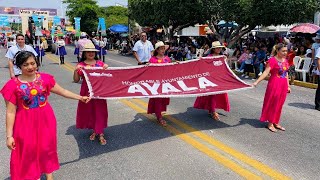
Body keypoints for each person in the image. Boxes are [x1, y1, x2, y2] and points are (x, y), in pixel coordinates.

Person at [1, 51, 90, 180]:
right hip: (24, 123)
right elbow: (10, 112)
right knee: (28, 150)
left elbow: (63, 91)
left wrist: (80, 97)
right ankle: (33, 175)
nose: (30, 67)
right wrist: (9, 136)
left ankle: (49, 174)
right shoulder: (12, 85)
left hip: (46, 120)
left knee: (46, 147)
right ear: (19, 66)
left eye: (33, 63)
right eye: (26, 65)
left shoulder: (45, 79)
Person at [73, 42, 109, 145]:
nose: (90, 53)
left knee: (100, 111)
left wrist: (106, 68)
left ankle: (100, 132)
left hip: (99, 91)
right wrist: (75, 71)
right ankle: (94, 130)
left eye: (92, 51)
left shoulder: (100, 64)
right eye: (88, 51)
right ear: (84, 53)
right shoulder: (81, 65)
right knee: (90, 111)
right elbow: (76, 80)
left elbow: (108, 77)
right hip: (86, 91)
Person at [253, 43, 291, 132]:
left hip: (283, 85)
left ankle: (275, 122)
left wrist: (288, 86)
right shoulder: (272, 60)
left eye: (286, 51)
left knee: (280, 104)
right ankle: (270, 123)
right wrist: (256, 82)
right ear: (277, 51)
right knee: (273, 103)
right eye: (283, 51)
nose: (285, 53)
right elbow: (266, 72)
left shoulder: (285, 60)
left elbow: (286, 74)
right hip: (274, 84)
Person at [193, 41, 230, 121]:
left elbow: (224, 68)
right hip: (211, 79)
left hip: (219, 79)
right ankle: (212, 111)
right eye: (217, 48)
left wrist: (225, 60)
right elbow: (202, 66)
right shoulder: (209, 57)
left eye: (220, 47)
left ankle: (211, 109)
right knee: (213, 95)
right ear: (213, 49)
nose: (219, 49)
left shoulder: (222, 57)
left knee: (217, 95)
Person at [147, 41, 171, 126]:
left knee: (164, 98)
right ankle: (159, 117)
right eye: (161, 48)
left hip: (165, 82)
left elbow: (171, 69)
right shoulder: (152, 60)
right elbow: (149, 72)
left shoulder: (167, 58)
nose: (163, 50)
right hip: (156, 83)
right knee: (157, 99)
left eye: (164, 48)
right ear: (157, 50)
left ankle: (159, 112)